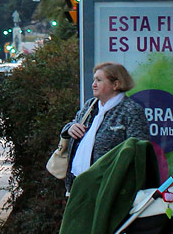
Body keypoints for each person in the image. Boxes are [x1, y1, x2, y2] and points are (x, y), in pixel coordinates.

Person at [60, 62, 151, 192]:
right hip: (79, 184)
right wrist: (70, 128)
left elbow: (139, 152)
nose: (93, 84)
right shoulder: (91, 106)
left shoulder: (130, 110)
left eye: (99, 80)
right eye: (94, 80)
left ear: (116, 84)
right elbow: (72, 124)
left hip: (110, 188)